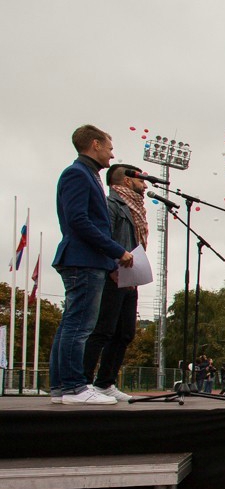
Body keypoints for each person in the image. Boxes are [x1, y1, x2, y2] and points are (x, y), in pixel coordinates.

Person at [49, 125, 134, 405]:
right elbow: (79, 221)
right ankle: (75, 387)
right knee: (80, 326)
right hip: (82, 259)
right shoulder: (77, 173)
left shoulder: (88, 175)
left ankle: (62, 387)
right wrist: (116, 250)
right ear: (95, 144)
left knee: (71, 325)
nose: (112, 154)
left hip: (85, 258)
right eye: (110, 148)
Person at [81, 162, 147, 402]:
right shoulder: (111, 205)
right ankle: (84, 383)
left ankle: (105, 383)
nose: (145, 185)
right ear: (127, 181)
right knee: (103, 330)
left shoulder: (134, 209)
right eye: (141, 180)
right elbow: (102, 238)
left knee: (125, 332)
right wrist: (111, 267)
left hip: (130, 276)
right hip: (114, 274)